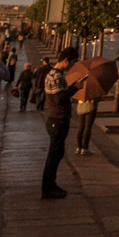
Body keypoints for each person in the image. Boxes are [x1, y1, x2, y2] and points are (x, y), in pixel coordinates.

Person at [40, 46, 79, 199]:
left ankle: (51, 184)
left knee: (57, 154)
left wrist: (71, 86)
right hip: (57, 120)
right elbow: (60, 99)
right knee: (53, 155)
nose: (72, 66)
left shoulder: (55, 74)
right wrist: (75, 88)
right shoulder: (56, 76)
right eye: (72, 63)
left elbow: (60, 93)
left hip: (56, 120)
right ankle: (47, 188)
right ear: (65, 60)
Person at [74, 51, 119, 153]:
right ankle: (85, 148)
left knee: (80, 126)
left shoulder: (80, 80)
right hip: (90, 107)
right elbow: (97, 97)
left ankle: (78, 147)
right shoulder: (94, 82)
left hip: (80, 105)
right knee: (87, 127)